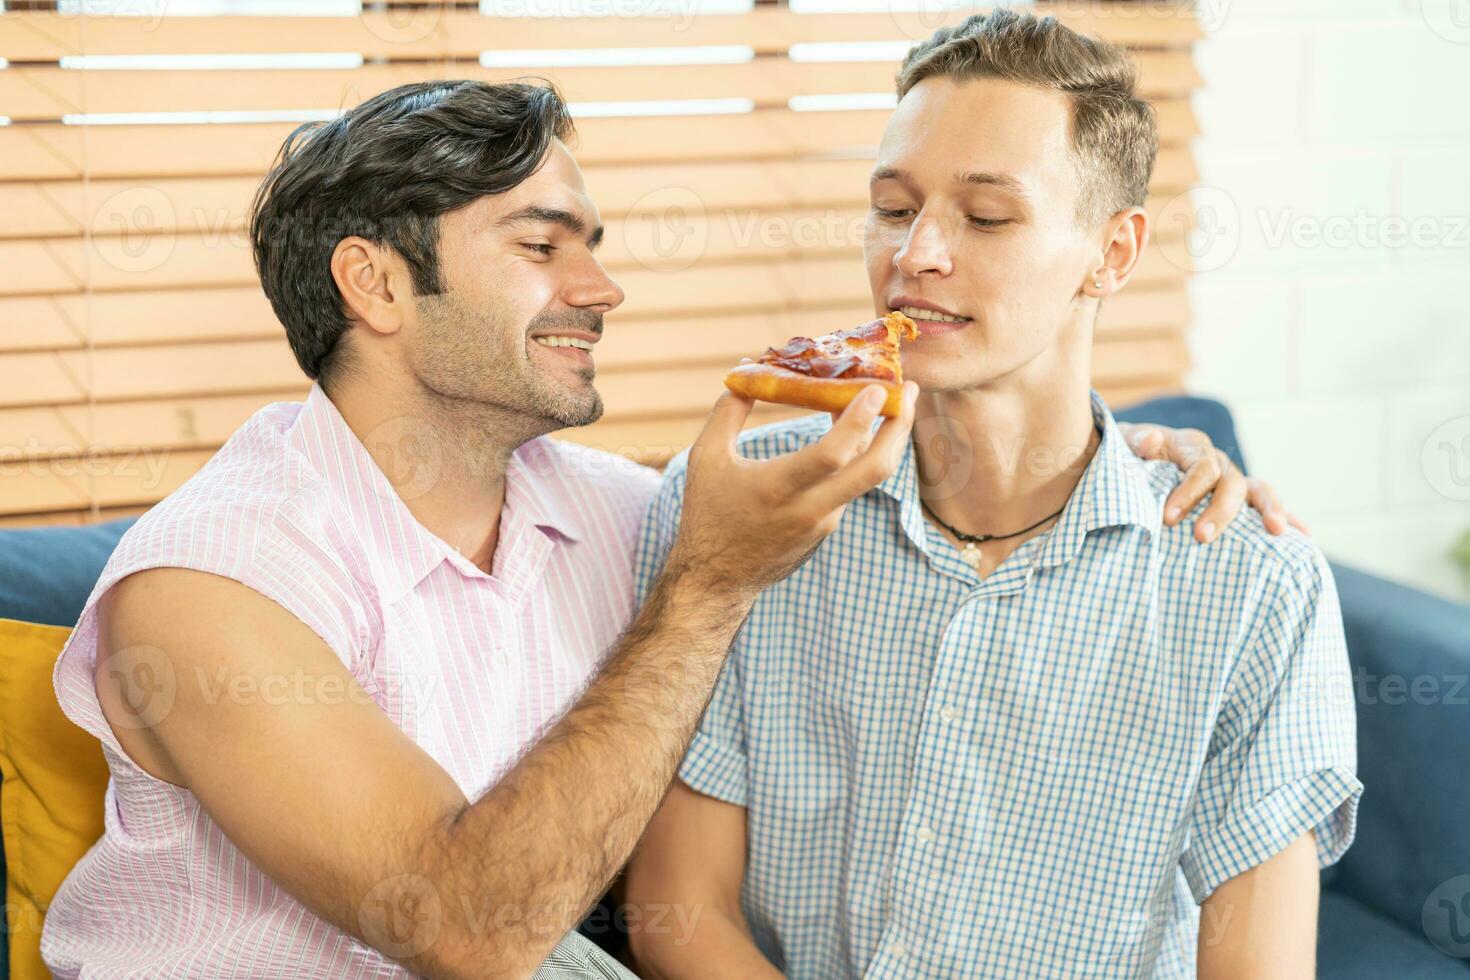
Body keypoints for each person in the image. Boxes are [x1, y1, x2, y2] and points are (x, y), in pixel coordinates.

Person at [45, 78, 1288, 979]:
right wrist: (704, 588)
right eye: (542, 246)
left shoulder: (605, 507)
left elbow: (902, 465)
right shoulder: (212, 583)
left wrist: (1124, 451)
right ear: (374, 284)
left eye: (594, 245)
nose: (602, 288)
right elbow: (464, 930)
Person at [625, 11, 1361, 980]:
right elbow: (681, 914)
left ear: (1114, 252)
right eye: (894, 207)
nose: (917, 254)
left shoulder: (1254, 588)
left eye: (987, 217)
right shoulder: (742, 505)